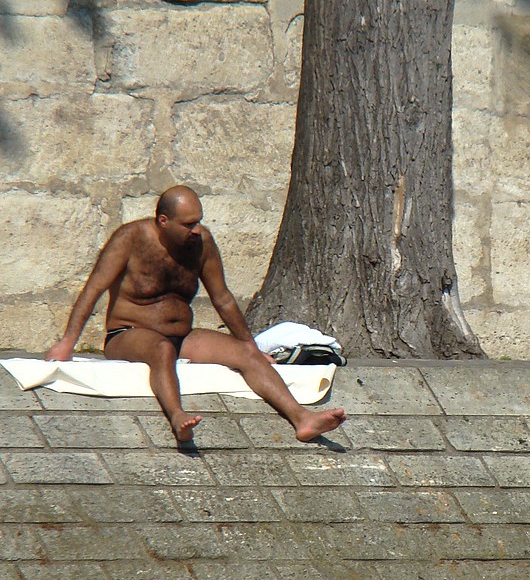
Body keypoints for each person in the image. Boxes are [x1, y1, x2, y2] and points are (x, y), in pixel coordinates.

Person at [46, 185, 348, 442]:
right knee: (161, 349)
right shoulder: (131, 238)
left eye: (199, 222)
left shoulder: (201, 244)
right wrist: (68, 342)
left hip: (182, 337)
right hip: (128, 335)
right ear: (163, 221)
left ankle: (302, 419)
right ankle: (178, 416)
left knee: (245, 353)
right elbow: (93, 289)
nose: (196, 230)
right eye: (188, 224)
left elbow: (223, 299)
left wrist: (250, 345)